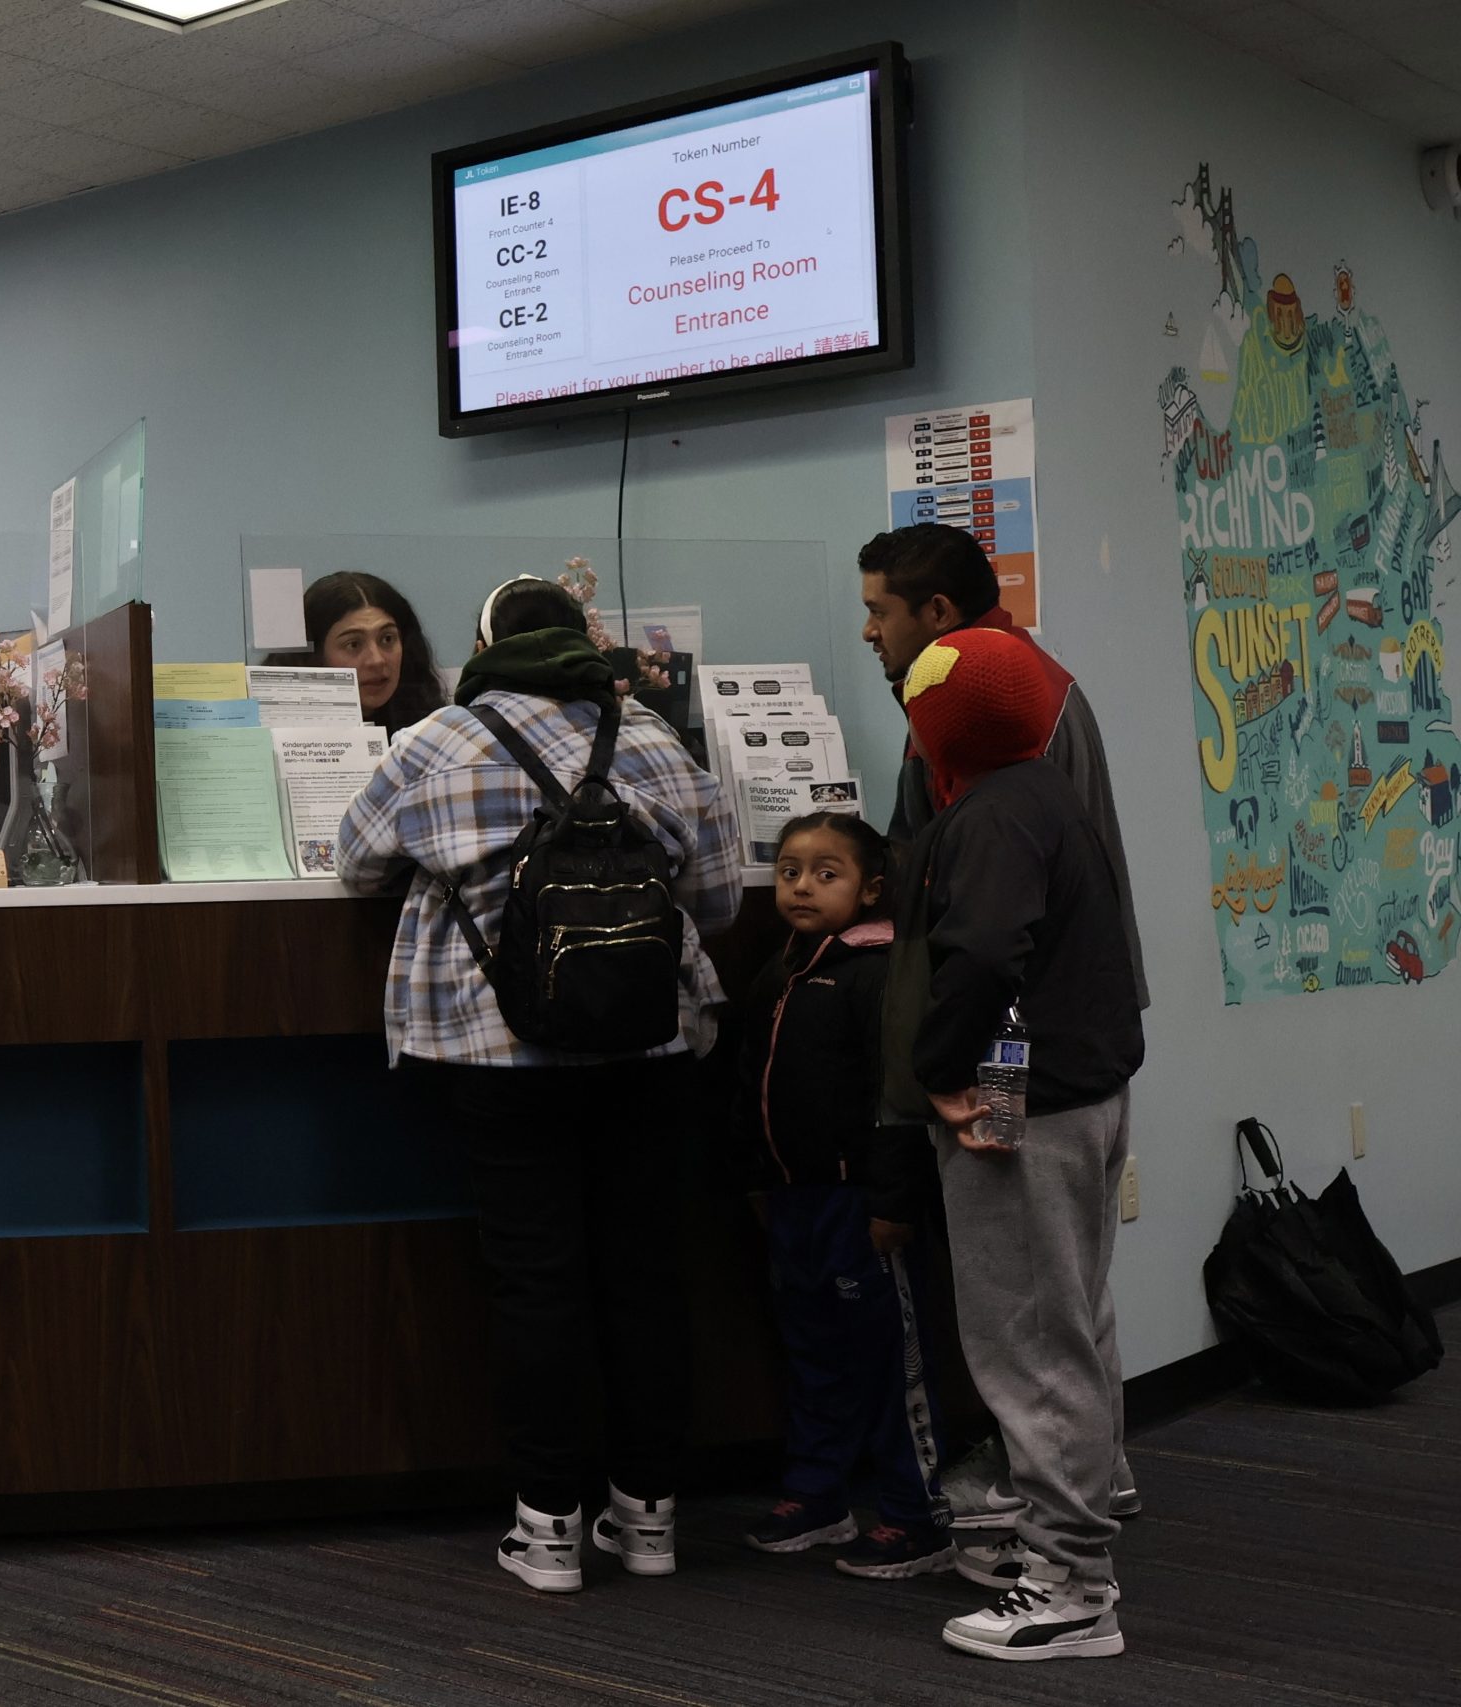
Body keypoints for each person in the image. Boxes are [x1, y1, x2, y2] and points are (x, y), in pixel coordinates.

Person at [335, 576, 738, 1595]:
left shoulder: (434, 740)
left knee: (535, 1280)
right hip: (646, 1050)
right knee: (644, 1275)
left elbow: (349, 865)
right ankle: (648, 1521)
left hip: (497, 1051)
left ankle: (547, 1527)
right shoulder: (649, 737)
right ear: (582, 643)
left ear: (484, 647)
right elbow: (721, 897)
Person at [855, 521, 1147, 1531]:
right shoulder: (1014, 701)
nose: (867, 633)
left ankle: (1064, 1547)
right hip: (1060, 1047)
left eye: (877, 611)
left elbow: (991, 948)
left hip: (1018, 1051)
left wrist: (944, 1072)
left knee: (1028, 1306)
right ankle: (1088, 1479)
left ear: (935, 622)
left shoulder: (998, 728)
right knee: (1059, 1292)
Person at [729, 812, 952, 1581]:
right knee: (812, 1350)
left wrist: (894, 1201)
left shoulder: (877, 972)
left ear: (871, 889)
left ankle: (915, 1513)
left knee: (890, 1358)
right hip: (795, 1200)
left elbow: (897, 1102)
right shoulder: (779, 968)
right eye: (790, 869)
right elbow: (753, 1080)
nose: (801, 885)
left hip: (862, 1204)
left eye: (827, 873)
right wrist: (760, 1177)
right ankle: (818, 1494)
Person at [293, 571, 448, 733]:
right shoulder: (278, 741)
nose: (376, 660)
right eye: (353, 644)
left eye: (387, 639)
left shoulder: (438, 733)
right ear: (315, 657)